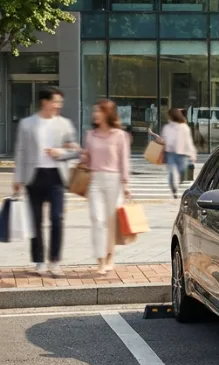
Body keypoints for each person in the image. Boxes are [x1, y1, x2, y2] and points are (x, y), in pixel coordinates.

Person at [12, 87, 80, 275]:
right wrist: (17, 178)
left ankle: (55, 261)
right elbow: (20, 151)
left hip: (57, 177)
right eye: (56, 101)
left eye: (60, 102)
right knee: (36, 221)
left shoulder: (65, 124)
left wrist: (61, 152)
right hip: (34, 176)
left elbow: (76, 150)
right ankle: (39, 261)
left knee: (57, 218)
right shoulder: (27, 124)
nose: (59, 105)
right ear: (45, 102)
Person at [83, 99, 131, 274]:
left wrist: (126, 184)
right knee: (97, 219)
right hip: (95, 180)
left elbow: (123, 161)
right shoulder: (90, 135)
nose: (95, 114)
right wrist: (83, 157)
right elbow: (87, 159)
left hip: (114, 180)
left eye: (99, 111)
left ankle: (110, 257)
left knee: (111, 223)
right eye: (94, 111)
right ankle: (100, 261)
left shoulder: (120, 135)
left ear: (107, 114)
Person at [149, 108, 197, 198]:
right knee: (172, 171)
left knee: (181, 170)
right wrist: (161, 140)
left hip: (182, 153)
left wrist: (192, 153)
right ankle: (174, 188)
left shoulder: (184, 127)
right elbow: (165, 139)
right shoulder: (167, 127)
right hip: (170, 153)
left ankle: (176, 182)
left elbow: (189, 141)